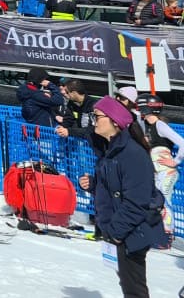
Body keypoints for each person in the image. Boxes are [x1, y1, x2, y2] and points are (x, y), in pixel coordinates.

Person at [78, 96, 168, 298]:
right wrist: (94, 184)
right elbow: (114, 188)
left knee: (134, 289)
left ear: (114, 121)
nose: (94, 121)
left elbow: (137, 201)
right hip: (119, 230)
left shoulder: (132, 154)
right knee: (128, 284)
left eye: (97, 116)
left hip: (130, 231)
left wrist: (115, 232)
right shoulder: (110, 151)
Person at [134, 93, 184, 239]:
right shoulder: (148, 126)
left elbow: (182, 142)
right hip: (157, 172)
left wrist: (176, 161)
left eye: (139, 108)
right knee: (156, 200)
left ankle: (168, 233)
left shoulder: (159, 125)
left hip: (167, 171)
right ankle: (157, 230)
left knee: (164, 200)